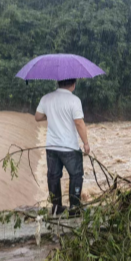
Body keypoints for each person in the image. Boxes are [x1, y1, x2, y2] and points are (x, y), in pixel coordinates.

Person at [35, 79, 90, 215]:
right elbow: (79, 122)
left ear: (58, 83)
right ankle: (74, 208)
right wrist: (86, 143)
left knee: (53, 177)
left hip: (52, 147)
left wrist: (52, 115)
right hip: (69, 147)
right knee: (76, 176)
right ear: (73, 84)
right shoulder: (74, 100)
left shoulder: (47, 98)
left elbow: (37, 117)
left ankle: (56, 208)